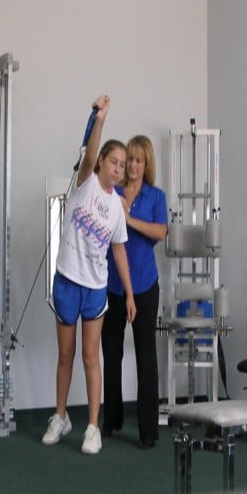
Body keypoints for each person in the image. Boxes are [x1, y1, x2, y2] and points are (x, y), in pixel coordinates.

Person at [42, 95, 136, 454]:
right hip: (68, 279)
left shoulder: (117, 207)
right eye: (113, 161)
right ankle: (61, 416)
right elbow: (91, 150)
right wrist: (101, 119)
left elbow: (119, 250)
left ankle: (92, 427)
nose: (118, 168)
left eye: (122, 165)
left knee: (90, 356)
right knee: (65, 354)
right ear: (100, 163)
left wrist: (129, 294)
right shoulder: (86, 183)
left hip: (95, 287)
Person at [101, 135, 168, 448]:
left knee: (146, 357)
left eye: (139, 160)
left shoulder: (156, 197)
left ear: (146, 164)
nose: (132, 165)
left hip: (145, 286)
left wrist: (128, 219)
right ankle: (111, 420)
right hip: (112, 286)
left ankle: (148, 431)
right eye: (130, 159)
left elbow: (161, 231)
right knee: (111, 354)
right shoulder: (112, 192)